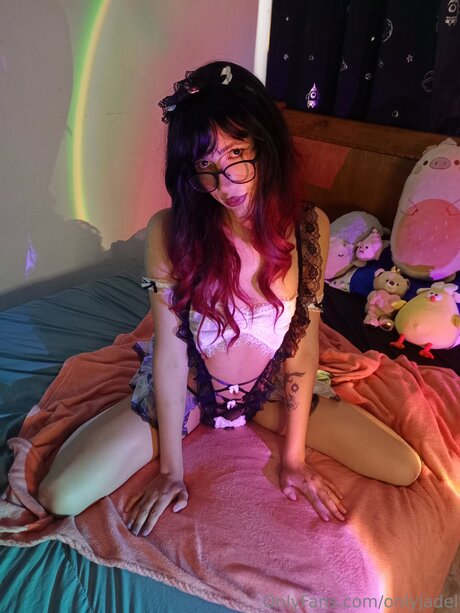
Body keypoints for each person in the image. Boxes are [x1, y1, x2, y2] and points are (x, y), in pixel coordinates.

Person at [38, 61, 422, 537]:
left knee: (404, 466)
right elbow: (171, 352)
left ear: (264, 144)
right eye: (206, 167)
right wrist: (171, 470)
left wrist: (295, 459)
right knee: (60, 494)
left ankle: (258, 417)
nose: (225, 184)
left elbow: (302, 347)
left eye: (237, 153)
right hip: (193, 389)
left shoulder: (309, 228)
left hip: (268, 392)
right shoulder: (170, 231)